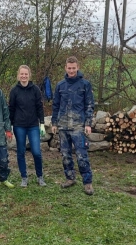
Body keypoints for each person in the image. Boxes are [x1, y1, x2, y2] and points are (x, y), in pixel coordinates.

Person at [51, 56, 95, 195]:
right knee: (65, 154)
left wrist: (88, 123)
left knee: (82, 155)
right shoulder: (60, 85)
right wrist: (54, 122)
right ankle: (70, 178)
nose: (71, 70)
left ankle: (87, 182)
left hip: (78, 125)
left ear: (77, 67)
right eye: (69, 68)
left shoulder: (85, 85)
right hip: (63, 125)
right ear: (65, 68)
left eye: (73, 68)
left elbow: (89, 105)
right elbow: (56, 105)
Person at [8, 65, 46, 187]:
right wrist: (9, 125)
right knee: (21, 152)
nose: (24, 76)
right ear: (18, 75)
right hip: (19, 126)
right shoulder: (14, 91)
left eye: (26, 74)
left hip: (33, 125)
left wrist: (42, 123)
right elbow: (11, 109)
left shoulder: (35, 89)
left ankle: (40, 176)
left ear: (29, 75)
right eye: (22, 74)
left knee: (36, 152)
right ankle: (24, 177)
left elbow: (40, 107)